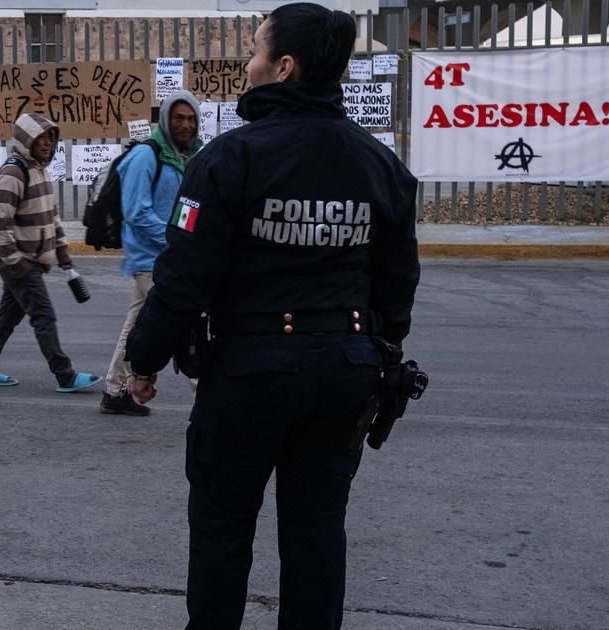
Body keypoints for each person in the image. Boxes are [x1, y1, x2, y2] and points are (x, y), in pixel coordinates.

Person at [124, 4, 421, 628]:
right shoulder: (378, 162)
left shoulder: (229, 158)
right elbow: (398, 284)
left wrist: (143, 360)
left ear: (284, 67)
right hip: (346, 367)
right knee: (318, 532)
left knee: (222, 529)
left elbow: (182, 277)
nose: (248, 62)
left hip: (251, 372)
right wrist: (378, 350)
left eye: (257, 50)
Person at [0, 112, 102, 393]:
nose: (47, 143)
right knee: (44, 316)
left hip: (31, 260)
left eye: (50, 138)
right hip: (19, 262)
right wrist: (16, 263)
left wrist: (62, 249)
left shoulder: (39, 169)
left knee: (7, 317)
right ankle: (64, 375)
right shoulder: (12, 173)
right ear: (26, 140)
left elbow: (50, 215)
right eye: (40, 138)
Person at [100, 90, 202, 416]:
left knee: (136, 324)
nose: (186, 125)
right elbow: (136, 211)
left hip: (170, 255)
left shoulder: (187, 156)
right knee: (185, 320)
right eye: (179, 118)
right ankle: (208, 396)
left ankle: (115, 391)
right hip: (150, 258)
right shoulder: (146, 156)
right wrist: (175, 240)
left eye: (191, 119)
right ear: (166, 120)